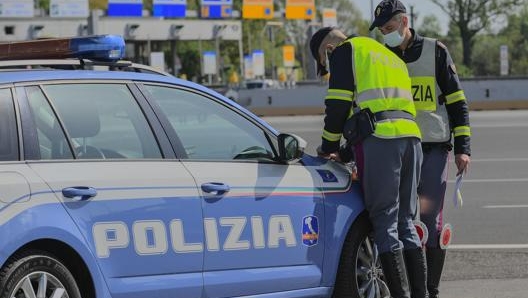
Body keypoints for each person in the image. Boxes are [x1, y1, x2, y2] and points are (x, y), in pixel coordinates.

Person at [310, 27, 427, 298]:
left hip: (382, 141)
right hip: (411, 138)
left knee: (385, 222)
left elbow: (338, 105)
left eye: (323, 61)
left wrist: (328, 147)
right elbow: (382, 108)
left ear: (327, 49)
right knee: (406, 222)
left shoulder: (345, 52)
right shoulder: (388, 55)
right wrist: (347, 152)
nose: (327, 65)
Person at [370, 1, 472, 297]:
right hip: (394, 150)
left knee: (431, 222)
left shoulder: (435, 52)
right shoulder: (382, 57)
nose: (384, 35)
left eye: (388, 29)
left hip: (432, 149)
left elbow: (457, 103)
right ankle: (404, 287)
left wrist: (463, 148)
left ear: (404, 22)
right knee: (397, 221)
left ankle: (430, 290)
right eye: (381, 30)